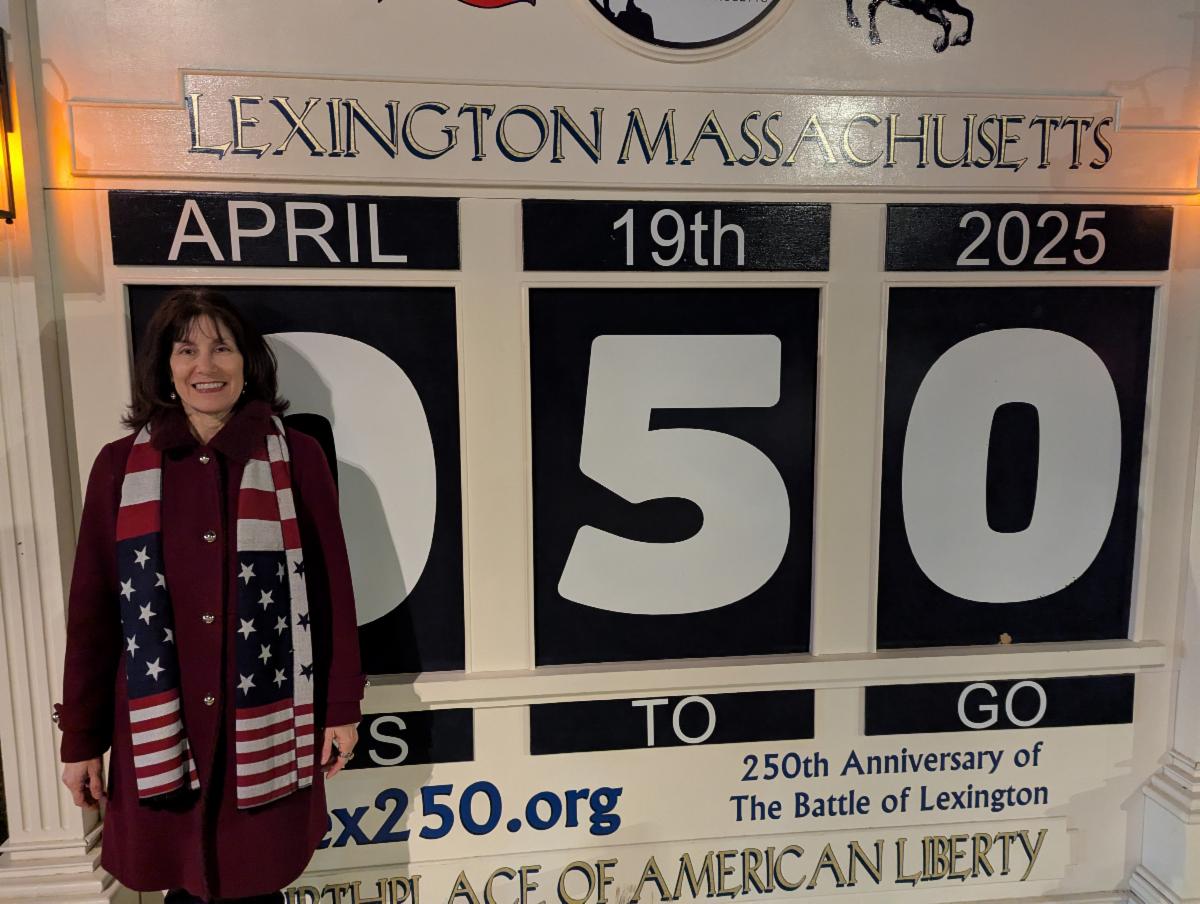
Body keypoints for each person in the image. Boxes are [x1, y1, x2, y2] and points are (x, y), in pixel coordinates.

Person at [57, 288, 366, 904]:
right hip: (160, 725)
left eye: (222, 348)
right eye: (187, 350)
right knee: (181, 886)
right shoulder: (118, 467)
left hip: (266, 720)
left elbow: (332, 591)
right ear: (165, 367)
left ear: (248, 362)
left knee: (257, 880)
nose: (206, 366)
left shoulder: (297, 458)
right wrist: (81, 740)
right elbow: (93, 612)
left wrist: (341, 707)